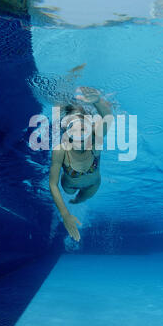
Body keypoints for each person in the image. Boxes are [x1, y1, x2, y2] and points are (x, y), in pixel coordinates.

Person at [49, 86, 112, 242]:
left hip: (93, 185)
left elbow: (108, 117)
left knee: (80, 199)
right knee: (70, 194)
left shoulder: (96, 142)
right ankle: (73, 199)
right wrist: (65, 214)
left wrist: (97, 101)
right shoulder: (60, 150)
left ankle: (77, 201)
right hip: (69, 185)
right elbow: (53, 184)